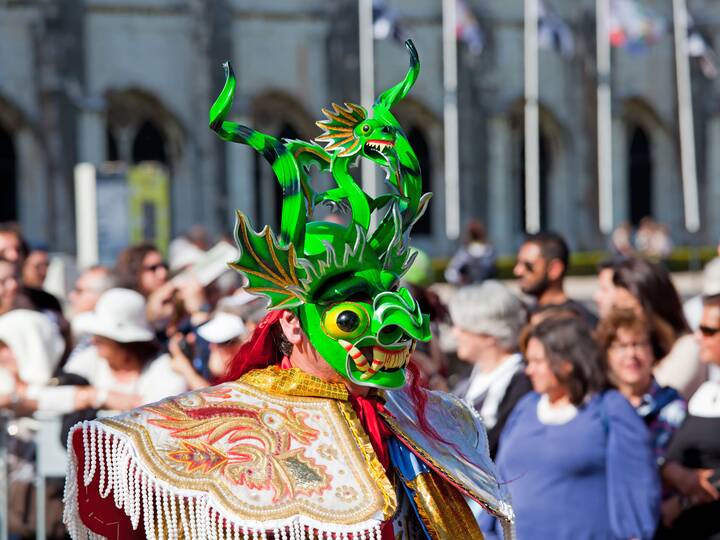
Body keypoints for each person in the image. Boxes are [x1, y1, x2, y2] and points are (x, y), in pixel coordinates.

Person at [63, 41, 514, 540]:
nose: (392, 337)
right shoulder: (226, 426)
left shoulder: (424, 417)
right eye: (349, 316)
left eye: (395, 305)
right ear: (292, 323)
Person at [480, 317, 660, 539]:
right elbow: (498, 481)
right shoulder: (526, 407)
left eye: (538, 361)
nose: (529, 370)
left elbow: (636, 491)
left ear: (567, 362)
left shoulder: (610, 410)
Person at [658, 294, 720, 539]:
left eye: (708, 330)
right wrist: (671, 471)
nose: (698, 338)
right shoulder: (706, 390)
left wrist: (683, 502)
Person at [600, 257, 705, 399]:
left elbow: (654, 398)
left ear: (653, 305)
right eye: (617, 308)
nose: (624, 318)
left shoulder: (688, 347)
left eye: (629, 308)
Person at [66, 288, 188, 410]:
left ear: (126, 344)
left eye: (102, 337)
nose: (93, 341)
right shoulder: (90, 358)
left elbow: (163, 413)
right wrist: (99, 397)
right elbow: (50, 396)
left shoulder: (162, 368)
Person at [450, 280, 531, 458]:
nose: (455, 333)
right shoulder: (473, 376)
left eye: (463, 327)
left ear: (489, 334)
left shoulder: (522, 382)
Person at [596, 309, 686, 463]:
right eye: (621, 346)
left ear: (654, 351)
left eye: (639, 345)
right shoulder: (597, 404)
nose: (631, 354)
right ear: (607, 354)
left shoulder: (673, 408)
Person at [513, 231, 598, 327]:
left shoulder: (581, 321)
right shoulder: (521, 316)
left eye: (528, 265)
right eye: (517, 263)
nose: (517, 271)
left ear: (554, 269)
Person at [168, 312, 248, 390]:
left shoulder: (246, 377)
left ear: (241, 343)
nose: (212, 347)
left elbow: (215, 400)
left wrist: (186, 369)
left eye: (223, 343)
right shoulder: (216, 378)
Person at [444, 219, 496, 285]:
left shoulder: (464, 252)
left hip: (474, 288)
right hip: (473, 288)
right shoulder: (489, 251)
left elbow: (450, 273)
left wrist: (459, 279)